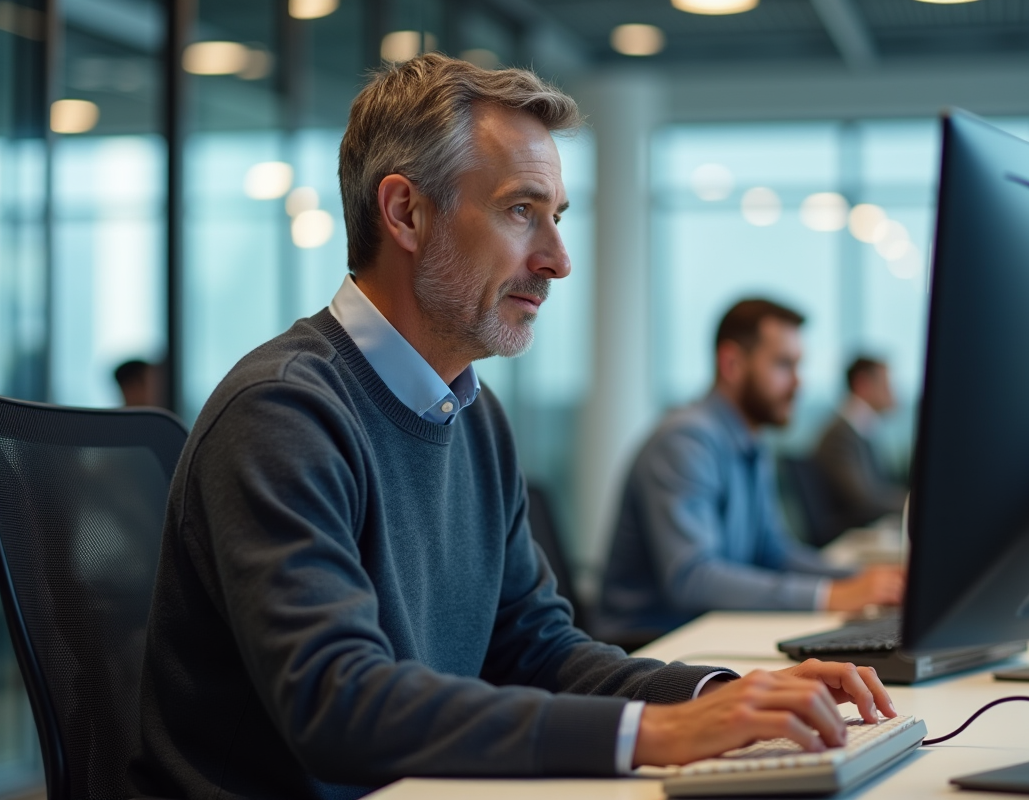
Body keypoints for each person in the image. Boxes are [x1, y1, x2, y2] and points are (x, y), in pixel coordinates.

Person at [129, 56, 896, 800]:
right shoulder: (282, 412)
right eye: (521, 211)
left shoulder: (473, 412)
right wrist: (652, 733)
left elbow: (535, 647)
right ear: (405, 213)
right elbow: (340, 702)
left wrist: (720, 696)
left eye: (556, 217)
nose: (558, 260)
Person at [598, 300, 905, 640]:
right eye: (783, 365)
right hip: (654, 643)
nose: (798, 383)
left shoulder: (751, 441)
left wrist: (860, 578)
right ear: (732, 363)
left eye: (798, 366)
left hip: (714, 630)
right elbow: (692, 578)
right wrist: (829, 595)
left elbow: (773, 552)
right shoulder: (685, 442)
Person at [813, 356, 908, 533]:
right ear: (863, 384)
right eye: (886, 385)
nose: (893, 392)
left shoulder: (861, 430)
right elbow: (863, 501)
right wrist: (912, 503)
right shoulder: (841, 436)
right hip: (852, 534)